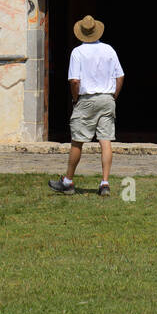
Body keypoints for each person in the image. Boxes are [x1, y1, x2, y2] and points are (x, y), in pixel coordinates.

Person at [48, 15, 124, 196]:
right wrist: (113, 96)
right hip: (107, 98)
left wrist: (75, 100)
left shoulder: (78, 52)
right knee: (105, 141)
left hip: (87, 99)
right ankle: (105, 182)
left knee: (77, 141)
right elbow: (120, 76)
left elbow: (75, 81)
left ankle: (68, 181)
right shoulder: (109, 50)